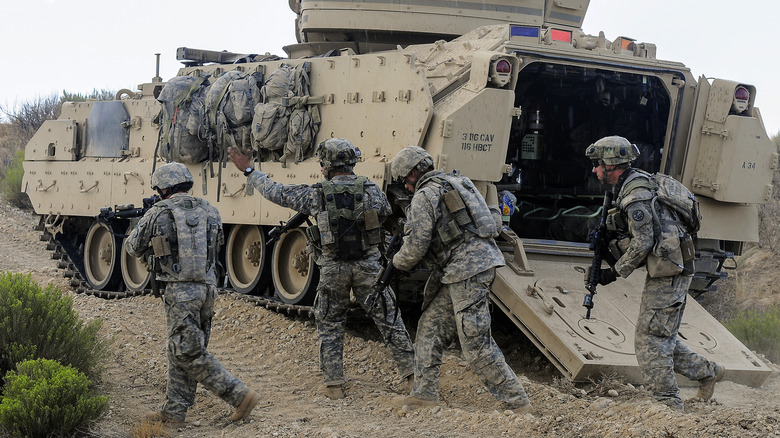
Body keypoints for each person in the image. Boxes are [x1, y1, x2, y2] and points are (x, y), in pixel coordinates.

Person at [227, 139, 415, 400]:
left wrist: (249, 171)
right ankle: (412, 379)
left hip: (333, 269)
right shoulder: (372, 190)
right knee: (390, 321)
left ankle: (334, 385)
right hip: (369, 269)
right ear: (351, 164)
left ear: (327, 165)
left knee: (330, 324)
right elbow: (383, 213)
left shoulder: (316, 193)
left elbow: (276, 192)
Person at [585, 135, 725, 412]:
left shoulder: (635, 196)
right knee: (660, 336)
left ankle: (667, 404)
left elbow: (644, 242)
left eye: (596, 164)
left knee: (649, 339)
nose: (593, 170)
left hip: (669, 270)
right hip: (671, 267)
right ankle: (708, 372)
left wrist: (612, 273)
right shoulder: (633, 183)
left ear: (611, 166)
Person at [388, 146, 532, 414]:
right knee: (430, 328)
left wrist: (394, 263)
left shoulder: (424, 196)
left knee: (476, 344)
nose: (404, 187)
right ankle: (424, 395)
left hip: (466, 272)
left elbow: (414, 249)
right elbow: (493, 222)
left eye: (403, 181)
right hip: (466, 270)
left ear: (412, 173)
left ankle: (517, 403)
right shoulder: (459, 182)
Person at [125, 162, 260, 424]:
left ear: (164, 188)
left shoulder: (158, 212)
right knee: (182, 348)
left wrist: (142, 222)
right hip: (208, 289)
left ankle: (239, 395)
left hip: (179, 291)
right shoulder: (211, 210)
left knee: (186, 351)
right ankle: (174, 412)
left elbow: (133, 248)